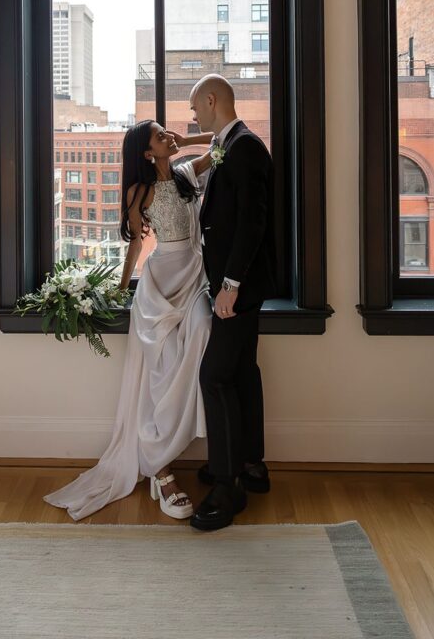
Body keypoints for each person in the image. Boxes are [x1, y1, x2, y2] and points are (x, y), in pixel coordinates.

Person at [44, 119, 214, 521]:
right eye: (161, 135)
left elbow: (227, 142)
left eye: (167, 132)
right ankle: (161, 468)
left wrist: (186, 139)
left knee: (205, 330)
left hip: (197, 278)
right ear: (146, 151)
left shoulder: (188, 174)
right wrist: (123, 287)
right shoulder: (140, 191)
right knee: (163, 368)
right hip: (160, 284)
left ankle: (172, 452)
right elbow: (137, 243)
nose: (168, 136)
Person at [187, 74, 275, 531]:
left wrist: (231, 283)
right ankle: (251, 465)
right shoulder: (231, 143)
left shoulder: (244, 148)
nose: (193, 117)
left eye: (195, 108)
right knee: (242, 372)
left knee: (215, 376)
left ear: (212, 100)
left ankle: (228, 486)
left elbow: (252, 224)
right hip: (236, 286)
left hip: (237, 288)